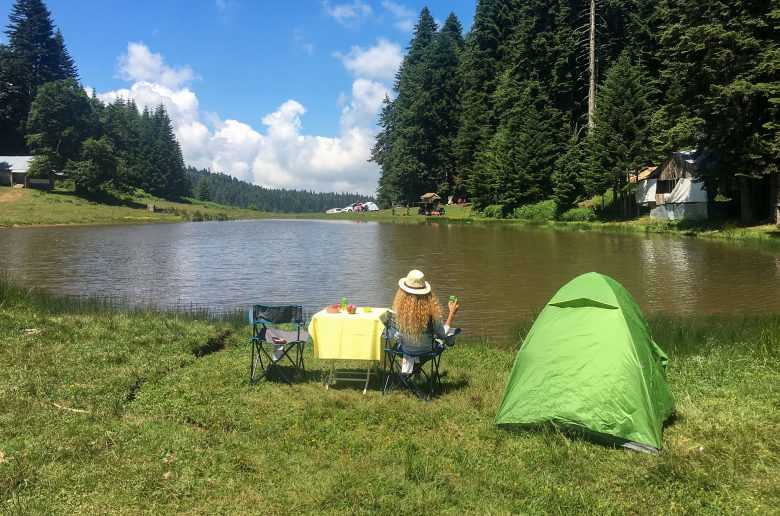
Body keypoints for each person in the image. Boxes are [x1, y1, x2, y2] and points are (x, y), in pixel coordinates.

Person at [390, 269, 460, 374]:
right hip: (426, 352)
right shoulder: (431, 316)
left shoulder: (398, 314)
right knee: (445, 339)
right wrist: (452, 314)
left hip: (404, 351)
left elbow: (395, 334)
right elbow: (443, 334)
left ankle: (413, 367)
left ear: (402, 293)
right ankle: (416, 367)